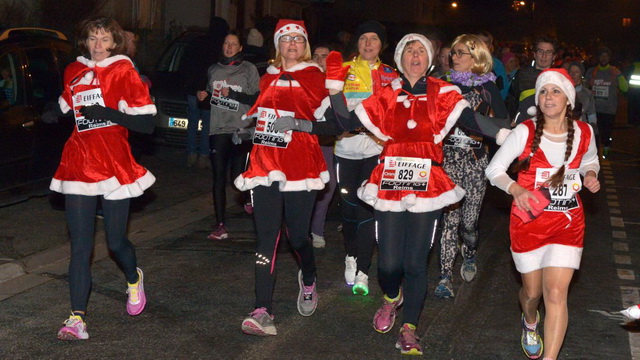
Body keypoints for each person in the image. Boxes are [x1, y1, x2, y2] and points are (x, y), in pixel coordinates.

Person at [275, 33, 510, 356]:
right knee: (387, 265)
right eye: (409, 50)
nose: (415, 55)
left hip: (427, 183)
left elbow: (472, 120)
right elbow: (343, 122)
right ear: (400, 59)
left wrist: (506, 133)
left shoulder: (444, 92)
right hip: (389, 182)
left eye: (421, 51)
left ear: (428, 60)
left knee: (414, 263)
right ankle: (390, 298)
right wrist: (320, 105)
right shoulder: (386, 94)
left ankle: (410, 328)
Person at [48, 16, 156, 340]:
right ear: (85, 42)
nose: (97, 46)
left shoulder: (124, 71)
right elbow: (68, 106)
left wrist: (108, 113)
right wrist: (55, 112)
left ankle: (133, 278)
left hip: (113, 164)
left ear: (114, 43)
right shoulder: (73, 70)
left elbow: (147, 125)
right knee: (80, 247)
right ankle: (76, 318)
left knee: (115, 242)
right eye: (92, 39)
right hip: (79, 163)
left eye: (104, 39)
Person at [485, 68, 600, 360]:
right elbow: (494, 170)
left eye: (556, 91)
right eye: (544, 92)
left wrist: (589, 174)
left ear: (569, 99)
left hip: (567, 224)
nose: (549, 97)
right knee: (533, 294)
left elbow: (591, 161)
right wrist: (516, 190)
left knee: (556, 294)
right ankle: (530, 319)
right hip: (529, 224)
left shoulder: (584, 132)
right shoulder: (525, 130)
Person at [234, 19, 328, 337]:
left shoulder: (315, 76)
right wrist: (244, 128)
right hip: (265, 162)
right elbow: (262, 112)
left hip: (301, 164)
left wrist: (299, 122)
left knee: (297, 236)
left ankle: (309, 277)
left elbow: (326, 119)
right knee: (267, 238)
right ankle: (263, 309)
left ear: (305, 46)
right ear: (278, 44)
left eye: (298, 40)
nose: (292, 44)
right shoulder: (268, 77)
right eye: (286, 39)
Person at [321, 20, 398, 295]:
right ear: (357, 42)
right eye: (363, 38)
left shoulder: (391, 75)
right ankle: (351, 254)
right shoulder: (342, 70)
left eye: (374, 39)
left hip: (375, 152)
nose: (368, 43)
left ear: (382, 45)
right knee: (349, 207)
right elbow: (327, 108)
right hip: (345, 150)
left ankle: (364, 270)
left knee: (368, 209)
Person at [435, 34, 509, 299]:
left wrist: (476, 123)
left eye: (461, 53)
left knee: (468, 223)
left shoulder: (487, 88)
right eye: (453, 53)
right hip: (448, 162)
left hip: (476, 162)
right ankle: (445, 276)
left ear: (476, 57)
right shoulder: (442, 85)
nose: (454, 57)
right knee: (449, 221)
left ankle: (470, 251)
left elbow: (503, 123)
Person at [196, 31, 260, 240]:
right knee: (218, 177)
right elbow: (210, 99)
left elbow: (257, 99)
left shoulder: (248, 69)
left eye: (234, 44)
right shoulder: (213, 69)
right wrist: (203, 97)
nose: (229, 47)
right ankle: (220, 225)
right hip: (218, 128)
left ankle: (248, 197)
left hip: (241, 128)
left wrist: (233, 94)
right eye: (226, 43)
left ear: (240, 48)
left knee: (237, 177)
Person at [309, 43, 338, 248]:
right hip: (304, 139)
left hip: (329, 141)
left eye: (324, 56)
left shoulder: (338, 82)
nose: (320, 60)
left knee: (329, 185)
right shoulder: (305, 79)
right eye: (316, 56)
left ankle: (316, 229)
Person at [585, 47, 629, 158]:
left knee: (606, 133)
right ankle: (593, 154)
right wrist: (588, 84)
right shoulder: (591, 71)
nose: (604, 58)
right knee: (594, 133)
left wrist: (619, 75)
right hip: (594, 109)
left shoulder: (614, 71)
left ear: (609, 58)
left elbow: (625, 88)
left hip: (609, 109)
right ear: (598, 57)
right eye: (601, 56)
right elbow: (583, 89)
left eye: (606, 56)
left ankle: (606, 147)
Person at [507, 36, 558, 125]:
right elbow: (511, 100)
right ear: (534, 54)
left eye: (548, 52)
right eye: (540, 51)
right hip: (523, 125)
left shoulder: (559, 78)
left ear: (554, 56)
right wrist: (511, 118)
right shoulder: (522, 74)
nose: (544, 56)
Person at [567, 61, 598, 133]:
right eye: (571, 71)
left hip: (581, 131)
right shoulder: (562, 92)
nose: (573, 74)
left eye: (576, 72)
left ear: (581, 74)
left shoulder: (587, 94)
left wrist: (592, 132)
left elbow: (592, 115)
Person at [477, 31, 508, 100]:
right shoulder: (467, 61)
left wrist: (496, 105)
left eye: (485, 42)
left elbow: (504, 88)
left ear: (490, 45)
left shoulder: (496, 64)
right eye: (479, 41)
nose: (482, 44)